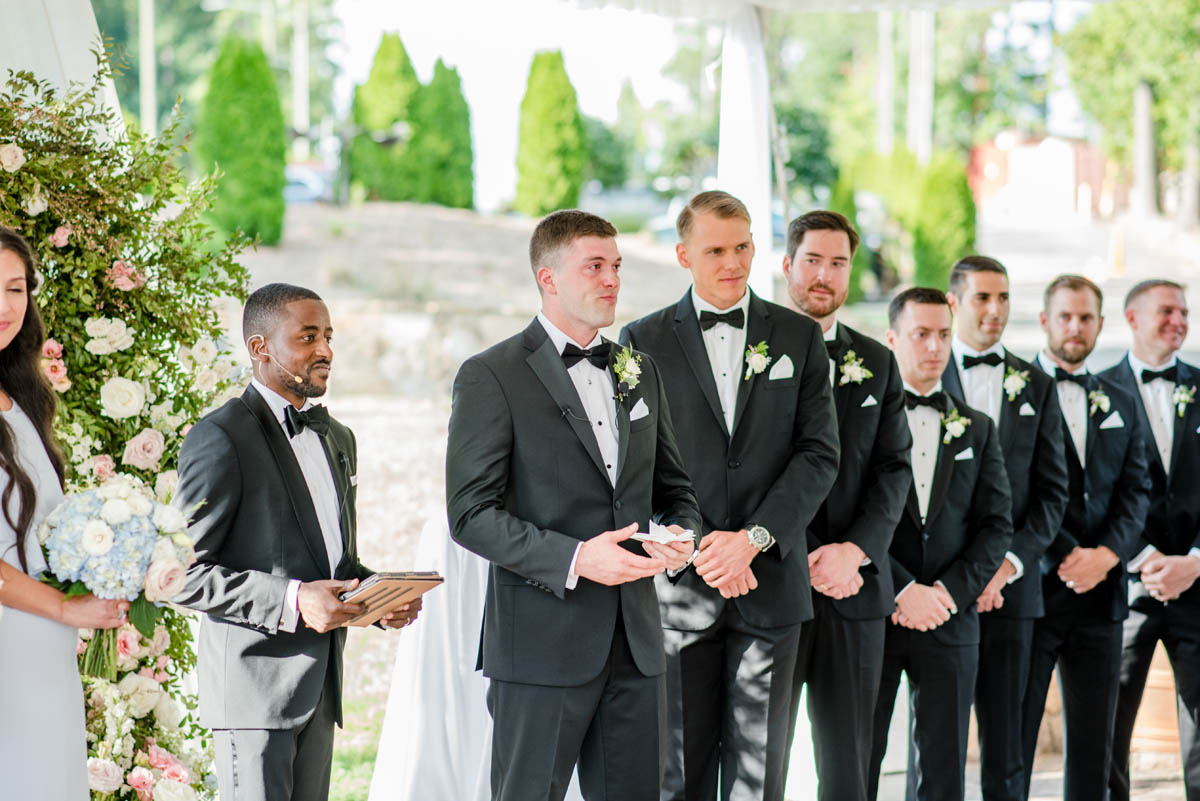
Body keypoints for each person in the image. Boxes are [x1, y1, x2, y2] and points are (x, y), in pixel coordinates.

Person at [446, 210, 701, 801]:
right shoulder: (491, 375)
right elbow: (470, 513)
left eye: (616, 266)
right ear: (549, 277)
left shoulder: (641, 373)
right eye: (595, 266)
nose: (612, 279)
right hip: (540, 647)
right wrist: (577, 559)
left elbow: (675, 490)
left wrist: (680, 535)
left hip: (636, 647)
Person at [619, 192, 840, 801]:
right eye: (715, 249)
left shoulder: (798, 335)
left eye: (742, 246)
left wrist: (753, 539)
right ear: (683, 254)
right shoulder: (641, 339)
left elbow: (819, 454)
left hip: (771, 588)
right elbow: (635, 465)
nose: (732, 261)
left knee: (759, 778)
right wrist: (691, 542)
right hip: (679, 595)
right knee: (676, 776)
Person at [174, 282, 419, 801]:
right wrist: (293, 599)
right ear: (260, 348)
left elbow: (335, 559)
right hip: (254, 695)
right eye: (308, 337)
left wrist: (376, 598)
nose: (326, 349)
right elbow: (182, 574)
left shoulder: (339, 439)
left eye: (328, 336)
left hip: (322, 692)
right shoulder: (220, 437)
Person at [780, 210, 912, 801]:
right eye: (813, 260)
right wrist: (803, 554)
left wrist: (853, 552)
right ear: (787, 265)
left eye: (838, 263)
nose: (824, 275)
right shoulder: (756, 355)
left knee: (851, 765)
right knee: (762, 757)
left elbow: (893, 469)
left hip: (855, 590)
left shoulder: (878, 362)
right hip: (774, 582)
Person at [866, 287, 1013, 801]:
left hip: (952, 619)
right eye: (921, 334)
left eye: (944, 335)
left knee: (943, 770)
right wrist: (902, 589)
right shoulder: (861, 423)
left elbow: (996, 525)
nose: (934, 347)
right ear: (892, 339)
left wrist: (949, 594)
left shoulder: (978, 428)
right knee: (859, 760)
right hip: (874, 611)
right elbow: (847, 519)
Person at [0, 226, 129, 799]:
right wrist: (64, 607)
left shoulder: (19, 395)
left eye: (15, 288)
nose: (5, 306)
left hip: (43, 648)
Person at [941, 256, 1069, 801]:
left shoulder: (1037, 384)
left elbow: (1051, 493)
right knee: (934, 746)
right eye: (982, 298)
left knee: (1010, 749)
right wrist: (960, 576)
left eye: (1004, 298)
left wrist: (1008, 565)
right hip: (938, 590)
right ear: (954, 303)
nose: (995, 310)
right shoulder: (922, 376)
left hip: (1012, 595)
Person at [1020, 274, 1149, 801]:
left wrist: (1108, 555)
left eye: (1086, 318)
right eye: (1066, 316)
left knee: (1095, 750)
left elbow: (1136, 488)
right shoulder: (1016, 390)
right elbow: (1011, 490)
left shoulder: (1120, 396)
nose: (1076, 328)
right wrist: (1063, 553)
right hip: (1031, 594)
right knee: (1016, 742)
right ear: (1046, 320)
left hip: (1102, 597)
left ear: (1100, 323)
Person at [1101, 279, 1200, 801]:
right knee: (1108, 726)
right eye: (1166, 311)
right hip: (1121, 590)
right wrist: (1141, 558)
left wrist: (1196, 561)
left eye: (1184, 312)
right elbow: (1090, 491)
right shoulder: (1095, 391)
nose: (1178, 320)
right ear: (1132, 317)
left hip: (1198, 588)